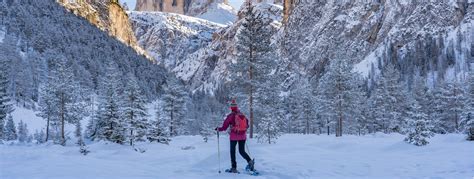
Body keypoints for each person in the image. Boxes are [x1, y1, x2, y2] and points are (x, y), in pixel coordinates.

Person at [215, 99, 254, 173]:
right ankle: (250, 161)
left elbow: (224, 128)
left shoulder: (230, 116)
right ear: (237, 107)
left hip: (233, 136)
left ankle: (234, 168)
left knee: (232, 152)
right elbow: (247, 125)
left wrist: (218, 129)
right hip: (242, 136)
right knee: (242, 151)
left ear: (231, 108)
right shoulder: (242, 115)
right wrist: (241, 129)